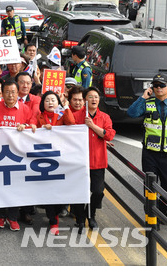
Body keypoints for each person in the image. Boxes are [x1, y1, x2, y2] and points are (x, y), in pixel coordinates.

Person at [0, 81, 37, 231]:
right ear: (2, 94)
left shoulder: (25, 109)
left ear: (18, 93)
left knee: (16, 187)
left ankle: (13, 217)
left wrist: (26, 127)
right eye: (7, 92)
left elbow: (33, 125)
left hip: (17, 155)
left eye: (13, 92)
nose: (10, 95)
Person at [127, 73, 167, 215]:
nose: (158, 88)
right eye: (155, 85)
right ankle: (151, 214)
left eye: (162, 85)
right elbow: (132, 113)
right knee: (149, 186)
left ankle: (162, 211)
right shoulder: (147, 103)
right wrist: (143, 97)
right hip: (150, 153)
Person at [73, 86, 115, 233]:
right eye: (90, 97)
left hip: (98, 161)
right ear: (85, 100)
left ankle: (90, 215)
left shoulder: (104, 117)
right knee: (79, 191)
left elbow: (109, 135)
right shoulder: (76, 116)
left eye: (96, 97)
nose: (94, 99)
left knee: (98, 191)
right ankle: (79, 219)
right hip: (79, 161)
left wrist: (92, 126)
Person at [35, 91, 75, 235]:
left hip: (61, 159)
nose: (50, 102)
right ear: (42, 103)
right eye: (47, 100)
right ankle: (53, 221)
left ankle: (58, 212)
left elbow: (71, 123)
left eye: (53, 100)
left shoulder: (62, 115)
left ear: (58, 102)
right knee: (49, 192)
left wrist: (66, 107)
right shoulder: (38, 117)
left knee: (61, 190)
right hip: (44, 160)